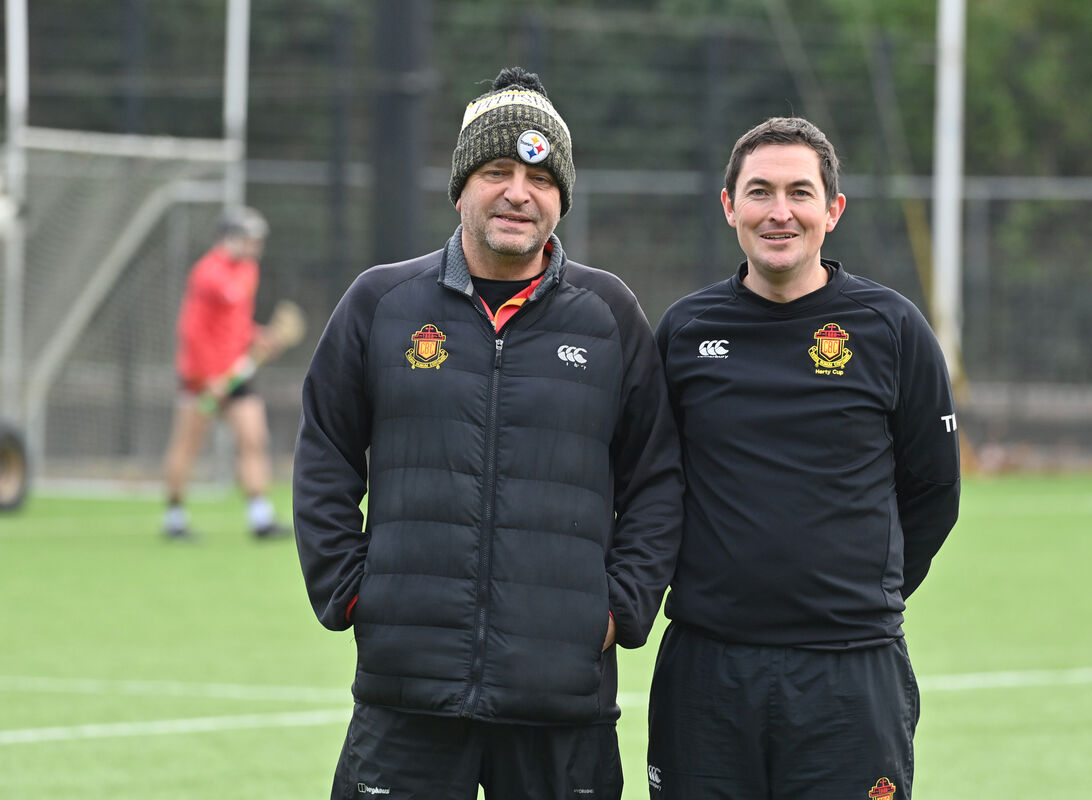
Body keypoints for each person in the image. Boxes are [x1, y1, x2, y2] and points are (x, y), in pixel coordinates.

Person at [292, 66, 683, 800]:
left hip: (561, 703)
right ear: (462, 185)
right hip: (406, 695)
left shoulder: (609, 315)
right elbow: (325, 454)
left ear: (560, 197)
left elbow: (656, 478)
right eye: (498, 170)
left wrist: (618, 610)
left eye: (540, 177)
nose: (518, 193)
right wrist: (352, 593)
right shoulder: (382, 302)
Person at [647, 117, 961, 800]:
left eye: (799, 192)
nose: (779, 212)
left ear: (832, 210)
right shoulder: (684, 331)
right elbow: (647, 487)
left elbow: (935, 490)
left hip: (849, 672)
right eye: (759, 192)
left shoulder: (892, 328)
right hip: (708, 667)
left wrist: (854, 598)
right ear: (729, 205)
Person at [162, 206, 286, 540]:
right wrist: (208, 378)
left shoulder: (248, 270)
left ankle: (260, 518)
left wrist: (259, 336)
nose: (255, 245)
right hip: (201, 378)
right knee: (187, 444)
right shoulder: (206, 273)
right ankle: (174, 519)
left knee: (253, 438)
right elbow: (192, 330)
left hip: (238, 374)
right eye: (250, 238)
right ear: (230, 237)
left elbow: (235, 323)